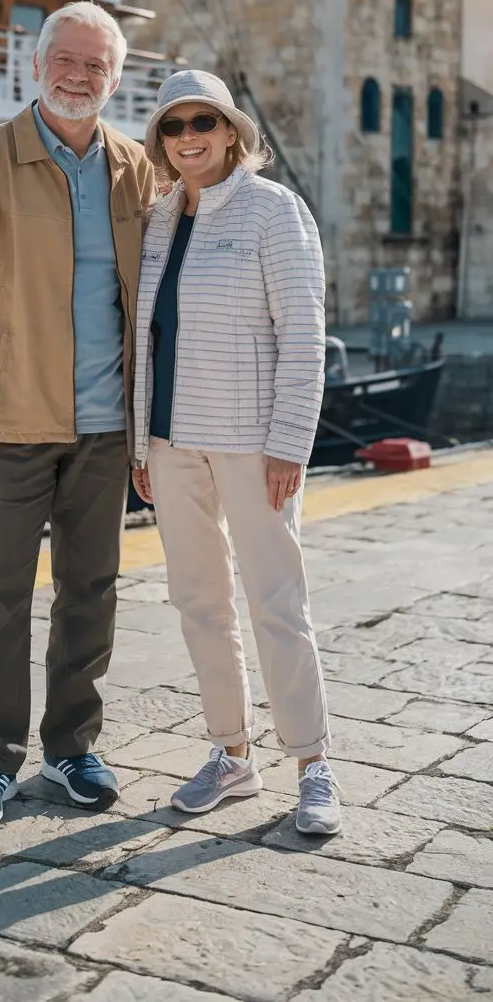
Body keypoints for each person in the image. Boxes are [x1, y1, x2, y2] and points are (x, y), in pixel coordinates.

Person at [0, 0, 154, 827]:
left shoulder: (137, 169)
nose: (80, 76)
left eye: (97, 65)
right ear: (38, 63)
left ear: (116, 78)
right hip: (8, 427)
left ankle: (72, 747)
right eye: (69, 59)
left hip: (105, 432)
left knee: (92, 590)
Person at [132, 69, 341, 836]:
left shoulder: (274, 211)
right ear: (161, 140)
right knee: (198, 603)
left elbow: (303, 335)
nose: (188, 137)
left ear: (230, 132)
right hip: (171, 441)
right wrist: (140, 446)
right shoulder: (157, 221)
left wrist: (289, 442)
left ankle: (314, 766)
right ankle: (232, 753)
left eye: (203, 123)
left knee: (276, 602)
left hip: (256, 446)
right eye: (174, 126)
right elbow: (147, 341)